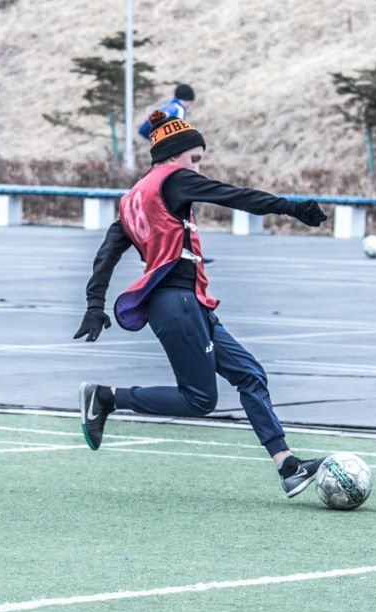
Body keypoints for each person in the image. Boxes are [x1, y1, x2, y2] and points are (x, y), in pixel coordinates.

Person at [74, 109, 331, 497]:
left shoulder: (132, 199)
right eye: (194, 158)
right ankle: (106, 397)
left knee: (250, 374)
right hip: (175, 302)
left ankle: (288, 467)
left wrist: (94, 305)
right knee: (199, 398)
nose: (198, 167)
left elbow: (105, 255)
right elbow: (233, 195)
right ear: (173, 155)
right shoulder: (174, 179)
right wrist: (290, 207)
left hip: (191, 303)